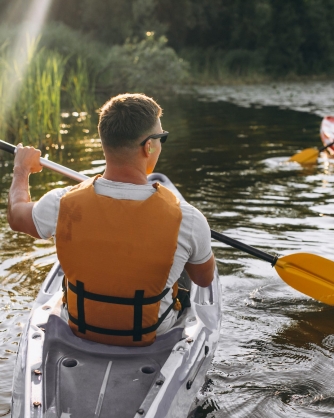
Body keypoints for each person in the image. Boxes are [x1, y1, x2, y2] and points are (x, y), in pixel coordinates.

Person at [7, 93, 215, 346]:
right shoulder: (188, 218)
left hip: (80, 327)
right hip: (153, 335)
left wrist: (21, 169)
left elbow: (16, 216)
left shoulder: (61, 203)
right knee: (186, 264)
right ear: (149, 146)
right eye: (162, 138)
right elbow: (204, 280)